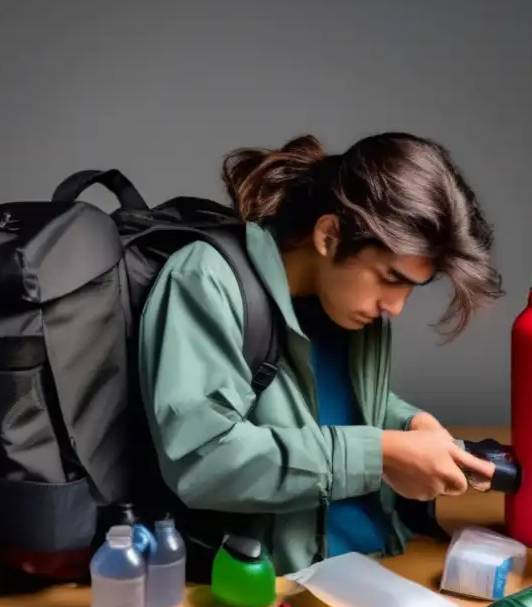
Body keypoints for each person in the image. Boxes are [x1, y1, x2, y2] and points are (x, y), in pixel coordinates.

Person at [137, 132, 505, 577]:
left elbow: (321, 401)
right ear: (329, 236)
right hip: (277, 589)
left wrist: (406, 424)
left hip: (388, 565)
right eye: (390, 277)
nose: (396, 306)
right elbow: (203, 460)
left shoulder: (343, 301)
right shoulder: (205, 280)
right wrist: (383, 453)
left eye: (412, 285)